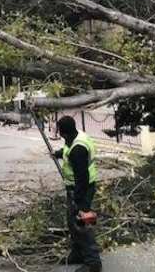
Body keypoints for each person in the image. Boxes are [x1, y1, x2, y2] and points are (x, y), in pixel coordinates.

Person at [53, 116, 102, 272]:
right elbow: (68, 150)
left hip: (82, 188)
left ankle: (93, 263)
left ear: (64, 133)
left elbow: (82, 178)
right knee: (72, 222)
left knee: (80, 223)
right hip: (76, 186)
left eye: (59, 131)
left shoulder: (78, 150)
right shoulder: (76, 136)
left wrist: (79, 202)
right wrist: (59, 153)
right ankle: (78, 253)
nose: (59, 134)